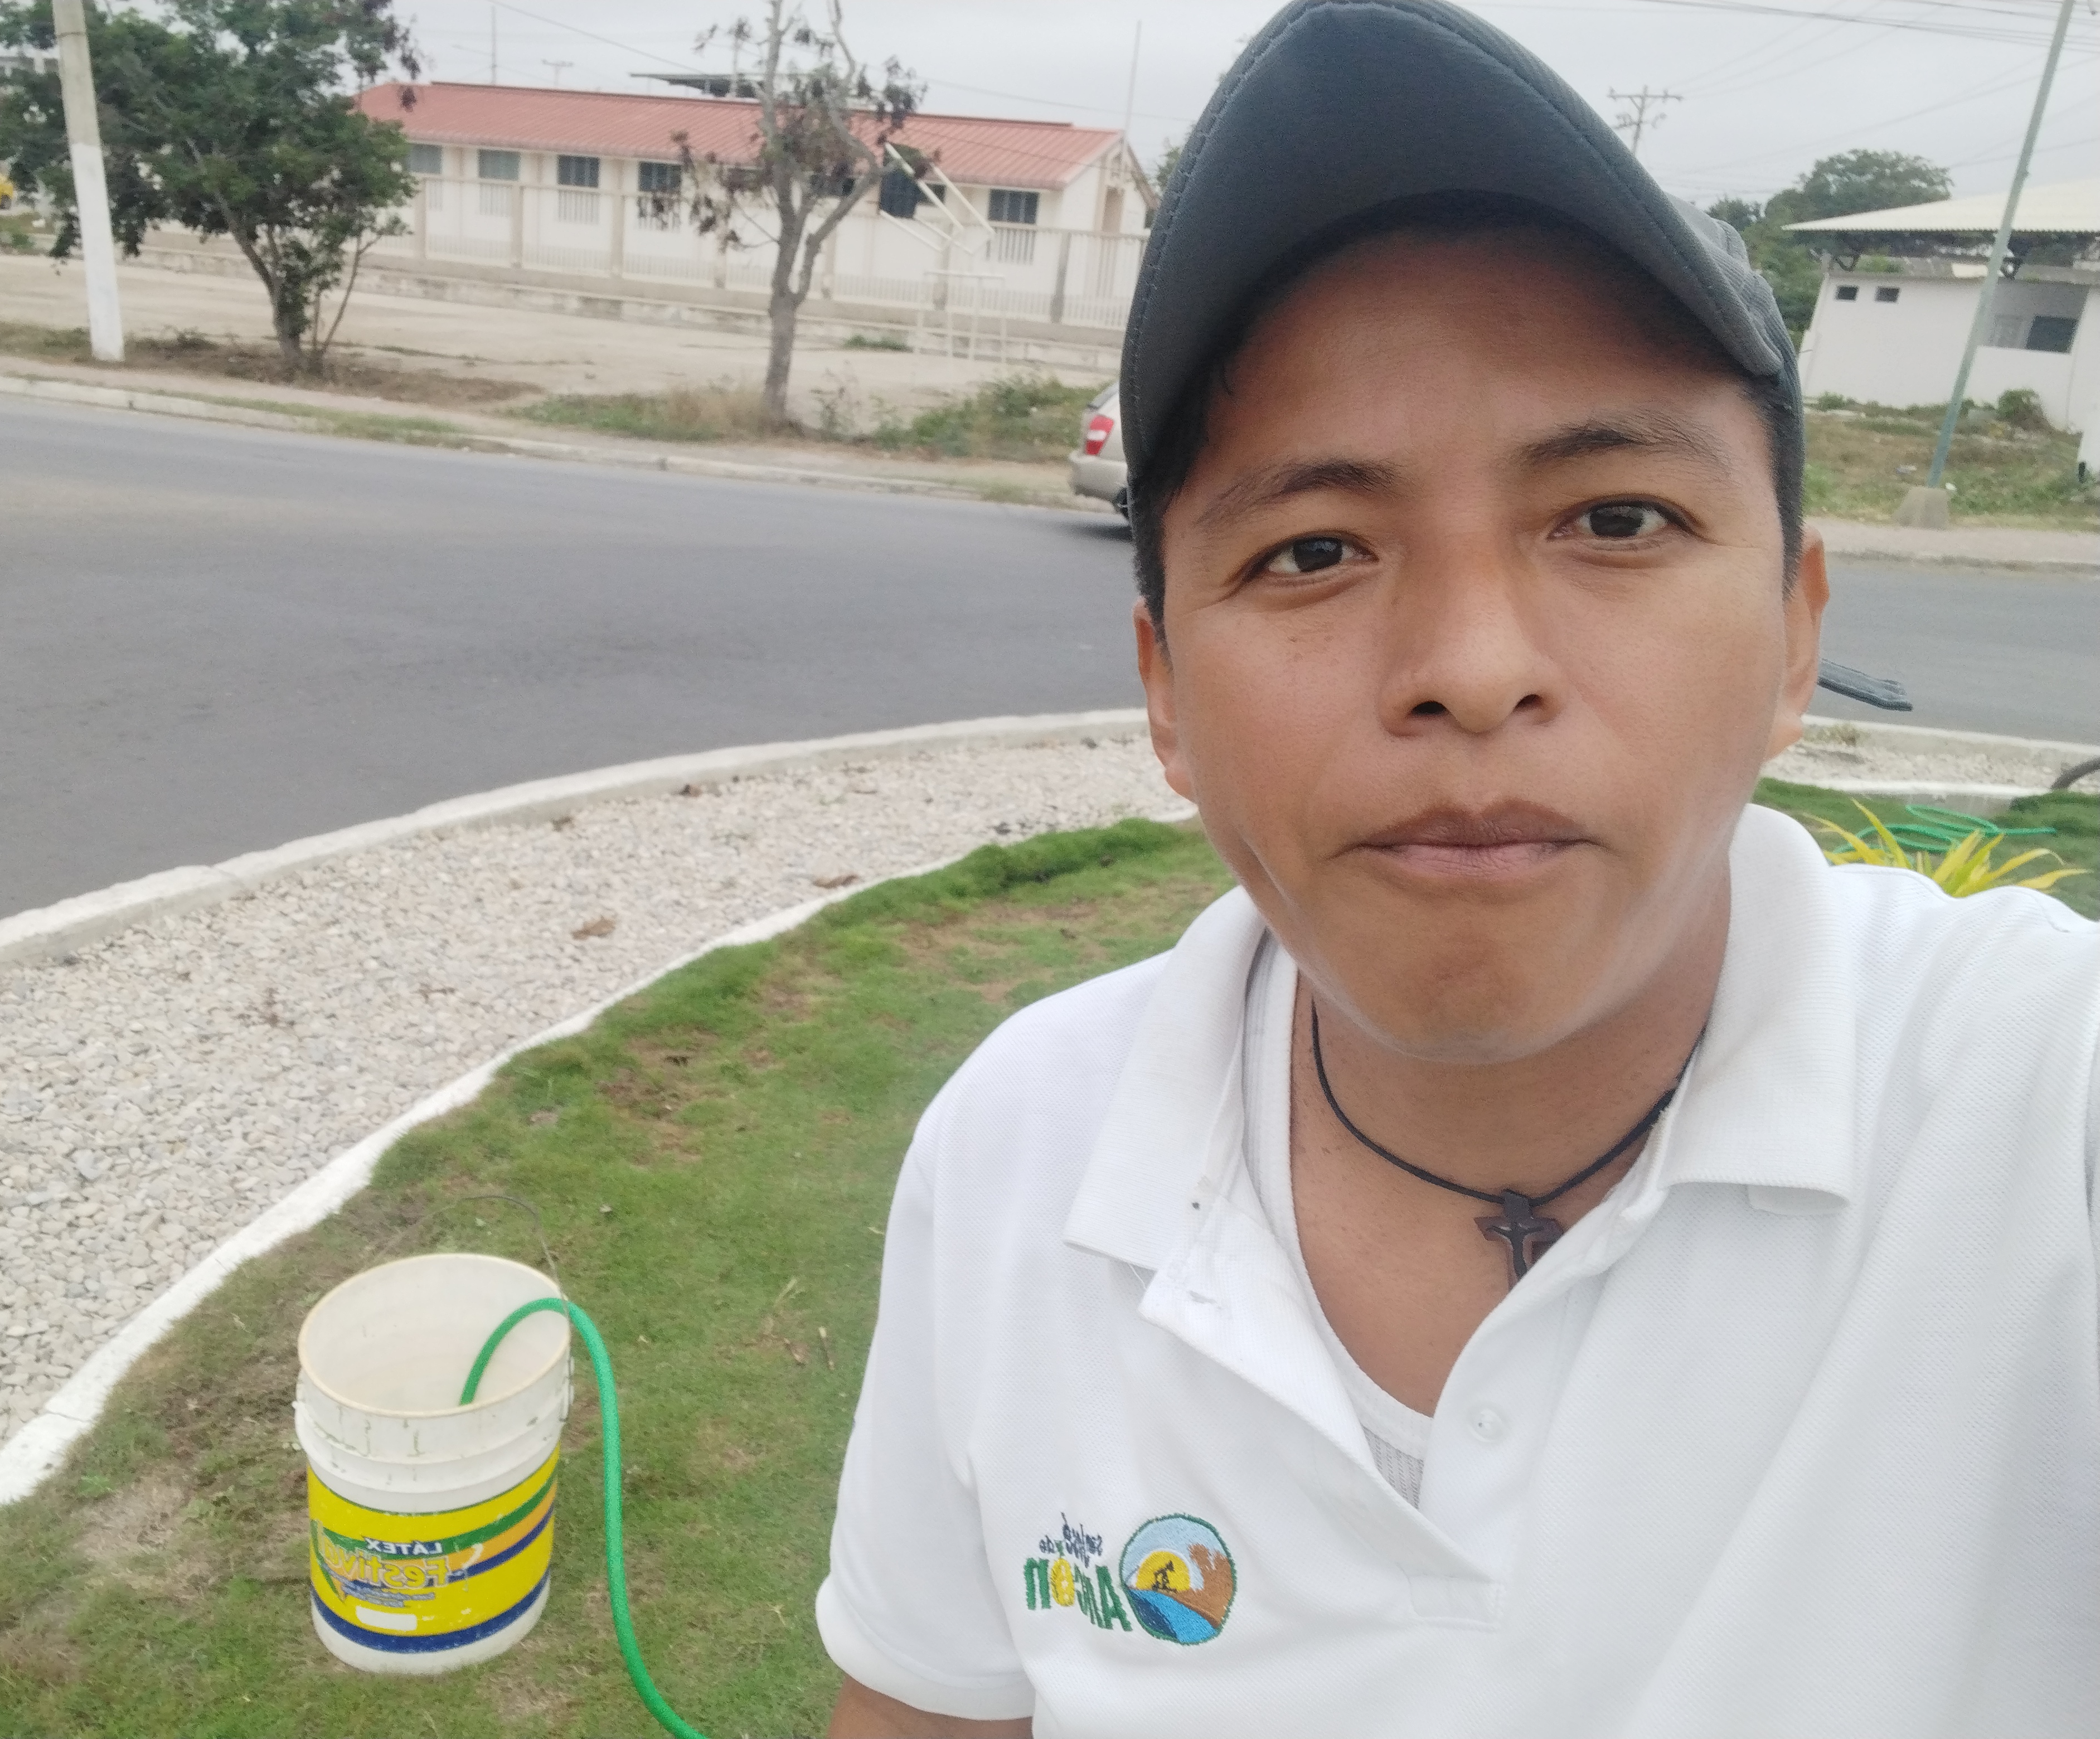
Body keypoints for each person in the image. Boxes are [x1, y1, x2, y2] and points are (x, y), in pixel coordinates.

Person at [814, 3, 2100, 1735]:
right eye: (1313, 549)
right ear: (1167, 696)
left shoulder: (2042, 1108)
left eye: (1617, 520)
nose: (1472, 670)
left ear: (1795, 636)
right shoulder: (1018, 1149)